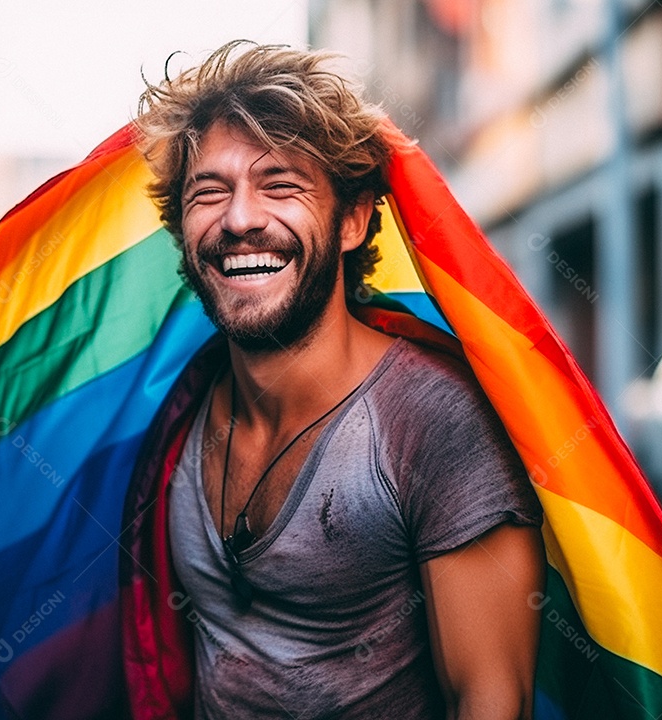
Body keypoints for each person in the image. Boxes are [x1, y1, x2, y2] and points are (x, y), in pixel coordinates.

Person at [134, 41, 545, 720]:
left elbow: (493, 699)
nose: (240, 219)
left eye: (281, 185)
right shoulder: (176, 412)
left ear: (351, 219)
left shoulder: (433, 421)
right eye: (209, 193)